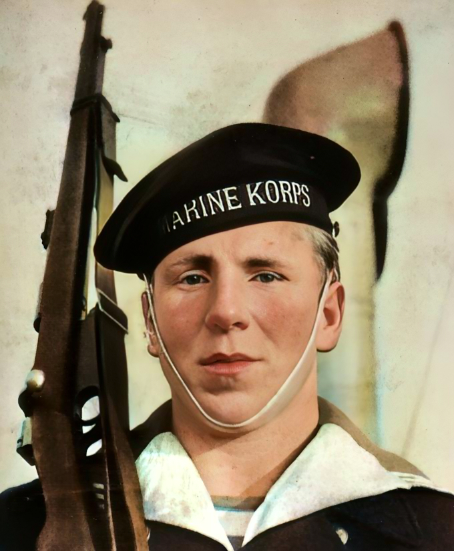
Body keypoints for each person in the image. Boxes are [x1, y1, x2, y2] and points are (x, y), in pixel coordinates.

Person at [1, 123, 453, 550]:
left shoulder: (435, 533)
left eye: (266, 275)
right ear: (150, 322)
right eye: (193, 278)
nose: (226, 312)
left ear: (329, 314)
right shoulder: (21, 528)